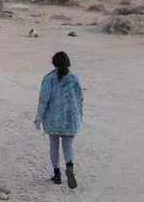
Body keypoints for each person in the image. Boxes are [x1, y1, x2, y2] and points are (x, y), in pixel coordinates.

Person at [34, 51, 84, 188]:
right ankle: (69, 167)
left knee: (54, 145)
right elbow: (80, 99)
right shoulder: (75, 78)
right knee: (68, 146)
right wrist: (79, 117)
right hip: (70, 119)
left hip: (53, 119)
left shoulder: (48, 79)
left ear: (54, 63)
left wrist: (38, 118)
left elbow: (43, 100)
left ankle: (57, 174)